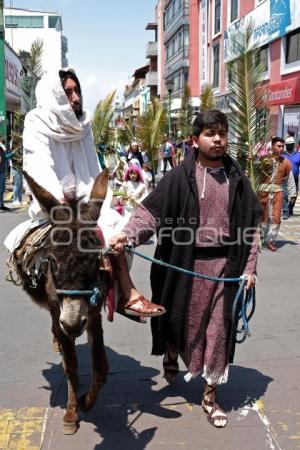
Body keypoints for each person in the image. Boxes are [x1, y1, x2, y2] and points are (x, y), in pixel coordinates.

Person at [109, 110, 261, 428]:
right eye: (210, 133)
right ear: (194, 140)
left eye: (222, 132)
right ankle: (172, 350)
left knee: (218, 332)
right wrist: (127, 234)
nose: (218, 139)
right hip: (184, 268)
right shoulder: (179, 177)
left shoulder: (238, 179)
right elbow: (149, 214)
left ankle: (210, 395)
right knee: (181, 325)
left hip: (225, 269)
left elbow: (252, 226)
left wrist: (249, 269)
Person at [4, 68, 165, 319]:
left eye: (77, 90)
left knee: (115, 234)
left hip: (86, 205)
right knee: (44, 248)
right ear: (54, 95)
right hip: (53, 207)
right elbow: (38, 166)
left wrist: (98, 201)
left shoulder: (84, 124)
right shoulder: (36, 122)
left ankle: (126, 294)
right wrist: (58, 204)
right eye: (68, 92)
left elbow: (93, 168)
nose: (76, 97)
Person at [258, 137, 295, 251]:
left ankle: (271, 241)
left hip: (278, 192)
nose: (281, 148)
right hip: (263, 192)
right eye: (278, 146)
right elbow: (252, 173)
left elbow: (289, 179)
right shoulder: (263, 160)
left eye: (282, 146)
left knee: (276, 217)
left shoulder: (286, 163)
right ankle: (260, 237)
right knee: (262, 216)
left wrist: (292, 193)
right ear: (272, 146)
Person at [283, 136, 300, 216]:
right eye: (288, 144)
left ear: (294, 145)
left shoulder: (298, 155)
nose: (290, 145)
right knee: (285, 194)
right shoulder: (283, 155)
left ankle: (290, 207)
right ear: (286, 145)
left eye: (291, 144)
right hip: (285, 178)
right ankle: (285, 210)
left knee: (294, 194)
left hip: (295, 178)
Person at [0, 137, 13, 212]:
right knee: (1, 189)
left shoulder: (1, 149)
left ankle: (1, 205)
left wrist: (11, 154)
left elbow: (4, 158)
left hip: (2, 171)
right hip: (0, 171)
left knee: (2, 189)